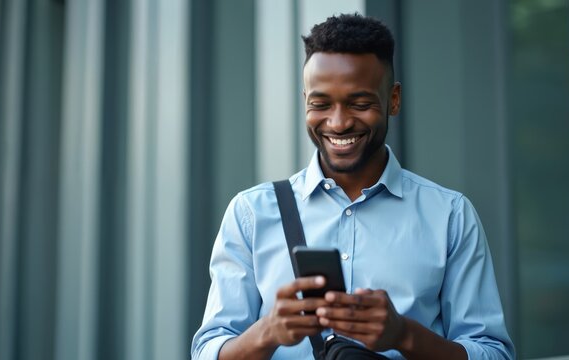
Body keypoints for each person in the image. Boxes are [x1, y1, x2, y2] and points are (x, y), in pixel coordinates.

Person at [191, 13, 515, 360]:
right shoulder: (250, 214)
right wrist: (267, 332)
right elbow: (207, 352)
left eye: (360, 104)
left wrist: (405, 335)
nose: (339, 122)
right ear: (305, 102)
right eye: (320, 104)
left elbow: (494, 354)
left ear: (393, 99)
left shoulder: (450, 216)